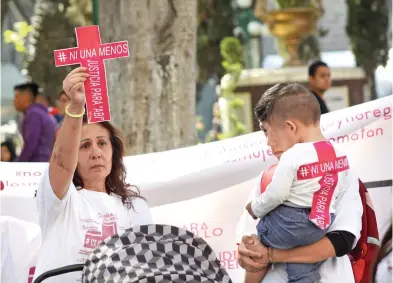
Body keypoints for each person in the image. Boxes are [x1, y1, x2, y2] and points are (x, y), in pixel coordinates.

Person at [33, 67, 153, 283]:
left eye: (102, 143)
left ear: (113, 151)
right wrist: (76, 107)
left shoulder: (135, 207)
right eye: (85, 146)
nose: (96, 152)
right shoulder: (61, 200)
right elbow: (61, 163)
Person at [236, 85, 363, 283]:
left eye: (267, 131)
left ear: (291, 127)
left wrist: (271, 254)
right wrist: (246, 252)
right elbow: (248, 246)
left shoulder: (343, 170)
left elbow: (342, 240)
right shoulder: (268, 176)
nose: (268, 143)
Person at [13, 82, 57, 162]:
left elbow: (30, 144)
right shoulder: (41, 113)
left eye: (16, 97)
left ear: (26, 97)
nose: (14, 101)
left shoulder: (33, 114)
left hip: (36, 163)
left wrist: (18, 164)